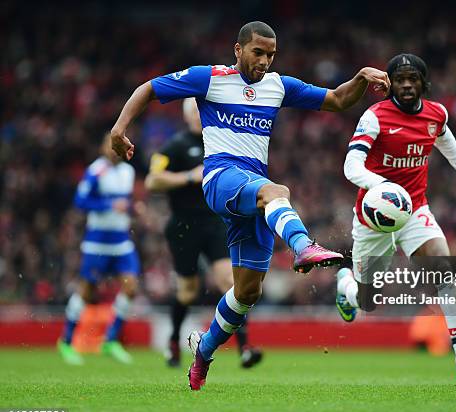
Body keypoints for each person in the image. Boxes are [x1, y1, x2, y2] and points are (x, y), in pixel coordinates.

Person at [110, 20, 389, 390]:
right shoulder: (209, 78)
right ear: (238, 49)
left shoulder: (278, 85)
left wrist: (360, 78)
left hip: (252, 195)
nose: (265, 61)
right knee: (278, 191)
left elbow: (337, 100)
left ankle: (203, 353)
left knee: (247, 293)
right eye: (258, 52)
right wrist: (119, 129)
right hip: (221, 178)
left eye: (271, 54)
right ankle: (303, 246)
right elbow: (149, 88)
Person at [335, 53, 456, 385]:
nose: (407, 84)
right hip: (373, 217)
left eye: (413, 79)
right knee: (369, 302)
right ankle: (346, 287)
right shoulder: (374, 116)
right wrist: (384, 188)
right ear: (390, 83)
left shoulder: (436, 114)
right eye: (400, 79)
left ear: (424, 82)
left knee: (443, 265)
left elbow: (449, 145)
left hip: (414, 211)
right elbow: (351, 167)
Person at [145, 98, 262, 369]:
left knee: (231, 284)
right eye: (195, 112)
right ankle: (174, 341)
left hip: (215, 223)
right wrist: (188, 176)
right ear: (187, 116)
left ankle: (244, 347)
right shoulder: (174, 146)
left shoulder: (221, 142)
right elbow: (152, 180)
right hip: (184, 226)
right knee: (188, 291)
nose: (199, 115)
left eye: (202, 111)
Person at [57, 133, 139, 365]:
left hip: (122, 241)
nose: (113, 149)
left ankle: (111, 340)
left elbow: (125, 204)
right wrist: (109, 204)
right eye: (110, 145)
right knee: (87, 291)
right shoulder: (96, 171)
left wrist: (133, 209)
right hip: (98, 242)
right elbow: (80, 201)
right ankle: (66, 341)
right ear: (104, 147)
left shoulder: (128, 172)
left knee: (131, 287)